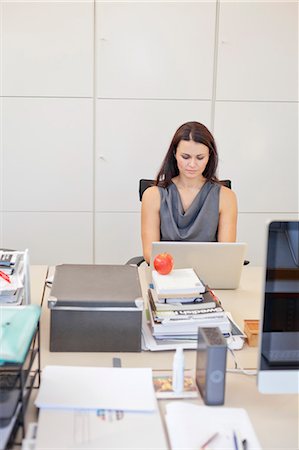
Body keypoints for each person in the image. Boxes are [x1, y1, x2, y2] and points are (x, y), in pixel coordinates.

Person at [141, 121, 237, 264]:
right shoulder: (152, 195)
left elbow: (226, 254)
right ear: (174, 154)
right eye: (185, 157)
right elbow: (150, 253)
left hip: (208, 276)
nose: (192, 164)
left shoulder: (226, 197)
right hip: (166, 274)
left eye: (200, 158)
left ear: (209, 156)